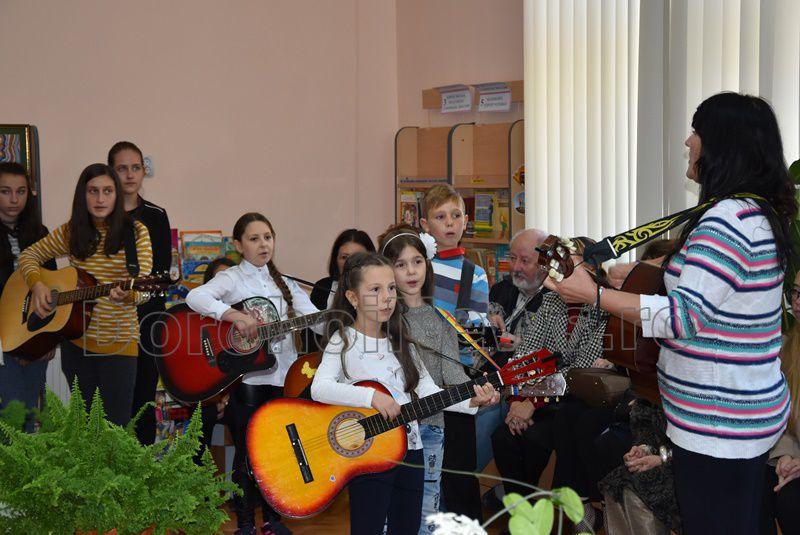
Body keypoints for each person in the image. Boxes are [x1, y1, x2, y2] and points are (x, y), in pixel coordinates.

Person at [545, 92, 797, 535]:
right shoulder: (752, 213)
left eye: (696, 131)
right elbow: (717, 299)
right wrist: (642, 277)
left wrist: (594, 295)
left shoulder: (728, 220)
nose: (687, 141)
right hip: (732, 421)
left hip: (719, 425)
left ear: (722, 144)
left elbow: (683, 318)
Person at [310, 252, 498, 535]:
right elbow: (319, 388)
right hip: (369, 455)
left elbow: (429, 392)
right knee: (369, 528)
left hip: (412, 449)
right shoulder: (343, 339)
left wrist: (472, 400)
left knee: (407, 527)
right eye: (375, 290)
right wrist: (371, 397)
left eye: (390, 288)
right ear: (352, 298)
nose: (387, 297)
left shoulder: (402, 343)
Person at [185, 212, 321, 535]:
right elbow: (195, 297)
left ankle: (273, 522)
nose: (263, 244)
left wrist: (342, 315)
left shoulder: (285, 283)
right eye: (254, 238)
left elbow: (317, 321)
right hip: (248, 381)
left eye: (268, 237)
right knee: (247, 455)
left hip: (283, 379)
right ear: (238, 245)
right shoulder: (233, 279)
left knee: (277, 454)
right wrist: (233, 316)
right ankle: (245, 524)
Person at [19, 163, 153, 427]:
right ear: (83, 195)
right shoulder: (71, 231)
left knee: (115, 431)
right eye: (93, 191)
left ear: (117, 195)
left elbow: (144, 289)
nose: (100, 199)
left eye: (107, 191)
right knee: (84, 430)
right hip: (76, 342)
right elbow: (28, 256)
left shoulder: (136, 232)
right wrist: (37, 285)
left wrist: (127, 296)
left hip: (119, 344)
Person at [491, 238, 608, 518]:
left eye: (568, 270)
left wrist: (532, 402)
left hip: (573, 404)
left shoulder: (604, 308)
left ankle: (530, 517)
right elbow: (525, 356)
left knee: (535, 439)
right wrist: (518, 401)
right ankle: (524, 516)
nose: (560, 278)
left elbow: (578, 373)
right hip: (536, 397)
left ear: (590, 271)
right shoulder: (551, 301)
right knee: (503, 437)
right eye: (558, 270)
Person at [378, 225, 472, 534]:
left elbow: (454, 376)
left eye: (417, 261)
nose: (411, 271)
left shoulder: (442, 320)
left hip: (431, 427)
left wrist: (477, 396)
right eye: (401, 264)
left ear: (427, 264)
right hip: (388, 430)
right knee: (389, 510)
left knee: (428, 507)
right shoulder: (381, 319)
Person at [419, 184, 490, 519]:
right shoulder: (416, 267)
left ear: (466, 221)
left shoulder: (474, 274)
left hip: (456, 379)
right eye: (440, 216)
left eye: (456, 215)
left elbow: (477, 331)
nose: (449, 223)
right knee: (421, 467)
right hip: (416, 379)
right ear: (425, 224)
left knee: (459, 469)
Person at [108, 141, 173, 445]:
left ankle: (142, 468)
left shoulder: (157, 216)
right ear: (111, 172)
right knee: (110, 405)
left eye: (136, 168)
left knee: (144, 402)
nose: (130, 175)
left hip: (147, 320)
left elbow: (160, 274)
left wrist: (138, 294)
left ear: (144, 171)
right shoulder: (100, 214)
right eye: (122, 168)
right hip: (108, 321)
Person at [0, 162, 53, 432]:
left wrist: (46, 340)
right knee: (10, 422)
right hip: (2, 344)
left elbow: (52, 289)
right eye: (5, 191)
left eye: (20, 191)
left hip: (34, 340)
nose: (14, 199)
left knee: (30, 419)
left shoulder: (40, 234)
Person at [760, 270, 800, 534]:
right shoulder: (785, 348)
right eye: (795, 292)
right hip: (792, 459)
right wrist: (786, 455)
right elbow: (781, 416)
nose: (797, 301)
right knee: (756, 484)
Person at [487, 228, 550, 364]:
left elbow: (556, 356)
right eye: (513, 258)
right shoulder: (500, 289)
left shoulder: (554, 302)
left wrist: (521, 346)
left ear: (544, 264)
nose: (515, 267)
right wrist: (486, 324)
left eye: (525, 261)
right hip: (481, 371)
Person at [310, 228, 374, 311]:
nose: (350, 263)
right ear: (335, 259)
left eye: (358, 258)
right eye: (344, 257)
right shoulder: (322, 287)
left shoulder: (380, 291)